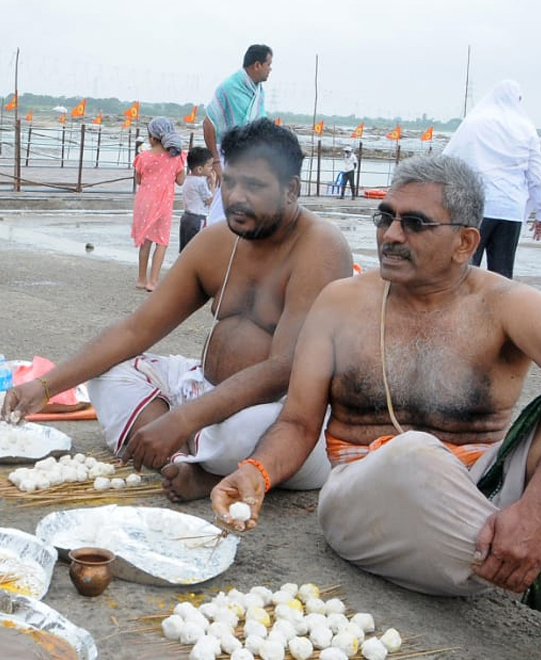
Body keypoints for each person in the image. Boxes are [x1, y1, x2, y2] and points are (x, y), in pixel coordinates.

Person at [210, 155, 541, 601]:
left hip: (482, 489)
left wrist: (532, 513)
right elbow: (298, 423)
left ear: (465, 242)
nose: (391, 235)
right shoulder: (340, 303)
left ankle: (504, 550)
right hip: (365, 499)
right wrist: (256, 472)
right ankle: (508, 562)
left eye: (415, 223)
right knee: (413, 455)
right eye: (385, 217)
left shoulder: (505, 304)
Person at [3, 119, 352, 501]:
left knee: (246, 431)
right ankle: (191, 459)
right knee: (109, 376)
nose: (236, 197)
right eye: (230, 180)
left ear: (291, 190)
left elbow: (283, 369)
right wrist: (46, 386)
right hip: (206, 388)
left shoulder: (321, 247)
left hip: (286, 416)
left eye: (254, 186)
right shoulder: (218, 241)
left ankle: (195, 459)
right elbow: (137, 330)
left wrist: (181, 418)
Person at [443, 80, 541, 278]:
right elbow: (536, 176)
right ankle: (500, 309)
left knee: (465, 268)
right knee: (502, 274)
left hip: (476, 207)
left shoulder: (473, 123)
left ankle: (466, 308)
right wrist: (540, 215)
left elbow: (448, 160)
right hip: (510, 209)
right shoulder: (526, 128)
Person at [204, 44, 272, 225]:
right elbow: (208, 122)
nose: (270, 70)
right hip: (227, 154)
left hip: (249, 155)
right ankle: (211, 242)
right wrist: (216, 161)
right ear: (257, 65)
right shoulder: (228, 88)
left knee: (244, 201)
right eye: (268, 64)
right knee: (222, 202)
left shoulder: (258, 91)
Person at [131, 117, 186, 291]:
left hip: (144, 201)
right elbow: (181, 181)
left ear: (152, 138)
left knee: (145, 242)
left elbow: (139, 180)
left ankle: (141, 279)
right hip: (164, 202)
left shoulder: (143, 157)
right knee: (161, 241)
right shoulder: (176, 158)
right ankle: (153, 281)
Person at [180, 145, 215, 252]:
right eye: (209, 166)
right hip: (198, 218)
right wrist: (212, 185)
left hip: (186, 217)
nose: (211, 169)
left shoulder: (188, 179)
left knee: (185, 248)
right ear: (199, 169)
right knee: (198, 247)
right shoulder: (200, 182)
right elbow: (209, 200)